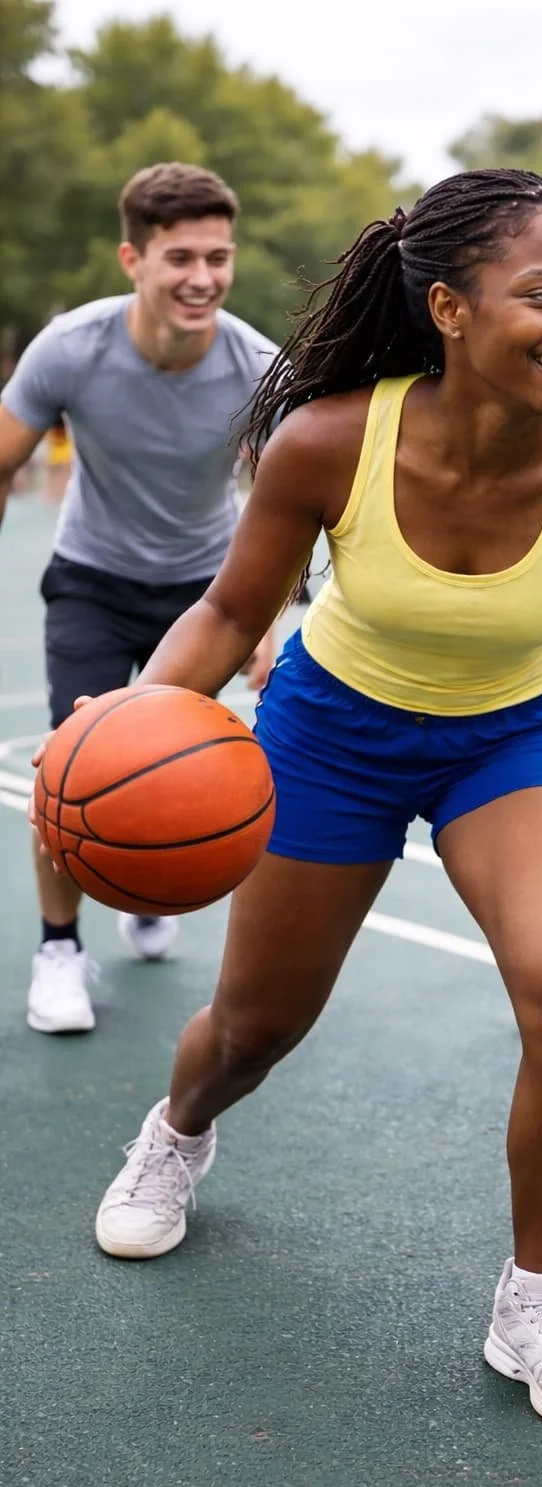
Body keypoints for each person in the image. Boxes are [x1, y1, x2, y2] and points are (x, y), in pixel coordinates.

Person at [85, 169, 542, 1433]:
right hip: (331, 733)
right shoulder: (331, 439)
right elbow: (229, 611)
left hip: (508, 740)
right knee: (253, 1028)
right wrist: (138, 721)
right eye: (541, 295)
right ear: (446, 308)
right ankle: (176, 1129)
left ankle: (535, 1294)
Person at [0, 162, 278, 1035]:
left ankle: (145, 882)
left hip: (208, 594)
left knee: (171, 778)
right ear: (134, 258)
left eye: (218, 257)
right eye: (181, 257)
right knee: (68, 766)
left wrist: (267, 623)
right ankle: (58, 950)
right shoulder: (70, 349)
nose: (203, 278)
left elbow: (287, 509)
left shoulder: (257, 365)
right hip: (91, 575)